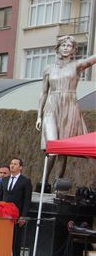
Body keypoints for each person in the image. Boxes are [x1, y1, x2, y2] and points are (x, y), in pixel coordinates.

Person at [36, 35, 96, 182]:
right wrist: (39, 115)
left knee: (62, 150)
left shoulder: (77, 65)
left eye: (69, 46)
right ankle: (43, 183)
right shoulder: (48, 68)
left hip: (69, 107)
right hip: (52, 106)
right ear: (58, 47)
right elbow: (43, 93)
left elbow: (92, 59)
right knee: (52, 147)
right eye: (63, 45)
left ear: (74, 49)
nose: (65, 48)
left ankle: (57, 184)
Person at [0, 157, 33, 256]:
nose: (12, 165)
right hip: (4, 216)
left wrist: (23, 216)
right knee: (3, 240)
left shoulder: (25, 181)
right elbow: (0, 198)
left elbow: (27, 200)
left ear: (20, 167)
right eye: (11, 163)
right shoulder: (4, 180)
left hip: (17, 216)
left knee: (15, 241)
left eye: (15, 164)